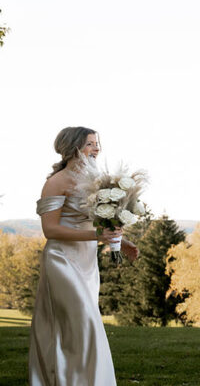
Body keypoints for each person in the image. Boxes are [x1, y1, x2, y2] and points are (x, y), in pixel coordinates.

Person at [29, 127, 138, 386]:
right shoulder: (56, 182)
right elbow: (50, 230)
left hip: (87, 263)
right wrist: (97, 238)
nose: (97, 149)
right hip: (62, 261)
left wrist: (121, 241)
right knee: (85, 324)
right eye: (90, 143)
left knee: (79, 328)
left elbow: (99, 223)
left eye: (97, 143)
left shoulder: (96, 180)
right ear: (73, 147)